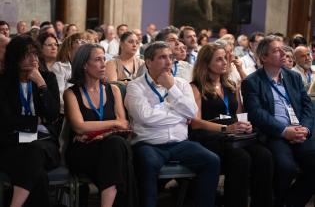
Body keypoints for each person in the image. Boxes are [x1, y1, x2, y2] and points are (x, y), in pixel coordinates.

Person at [125, 41, 220, 207]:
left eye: (170, 57)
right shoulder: (135, 86)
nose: (169, 62)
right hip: (148, 144)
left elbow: (191, 113)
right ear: (148, 62)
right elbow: (146, 117)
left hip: (180, 143)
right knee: (147, 163)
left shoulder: (181, 84)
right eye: (162, 57)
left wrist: (171, 88)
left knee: (212, 160)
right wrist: (179, 115)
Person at [189, 43, 273, 207]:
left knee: (265, 155)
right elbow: (195, 122)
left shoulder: (230, 85)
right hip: (210, 136)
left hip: (234, 136)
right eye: (219, 59)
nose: (225, 62)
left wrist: (245, 124)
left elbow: (239, 113)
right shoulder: (195, 87)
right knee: (241, 158)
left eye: (225, 58)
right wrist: (226, 128)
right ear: (206, 63)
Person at [241, 35, 315, 207]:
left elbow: (307, 106)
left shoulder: (293, 77)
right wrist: (284, 131)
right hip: (275, 134)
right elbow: (256, 113)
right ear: (264, 58)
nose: (283, 53)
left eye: (283, 48)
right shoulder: (252, 82)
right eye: (276, 50)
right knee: (286, 168)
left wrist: (305, 128)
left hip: (301, 131)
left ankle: (289, 203)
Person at [64, 43, 137, 207]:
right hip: (83, 150)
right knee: (118, 153)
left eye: (104, 59)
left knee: (115, 146)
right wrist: (113, 124)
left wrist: (99, 130)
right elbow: (79, 127)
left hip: (109, 147)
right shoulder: (71, 93)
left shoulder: (114, 90)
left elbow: (124, 125)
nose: (104, 64)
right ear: (84, 65)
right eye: (98, 60)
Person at [0, 35, 60, 207]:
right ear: (15, 58)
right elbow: (6, 121)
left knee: (34, 150)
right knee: (37, 174)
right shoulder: (4, 83)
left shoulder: (48, 79)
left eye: (35, 54)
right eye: (27, 54)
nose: (34, 59)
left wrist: (41, 85)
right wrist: (37, 121)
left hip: (45, 144)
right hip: (13, 145)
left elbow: (54, 114)